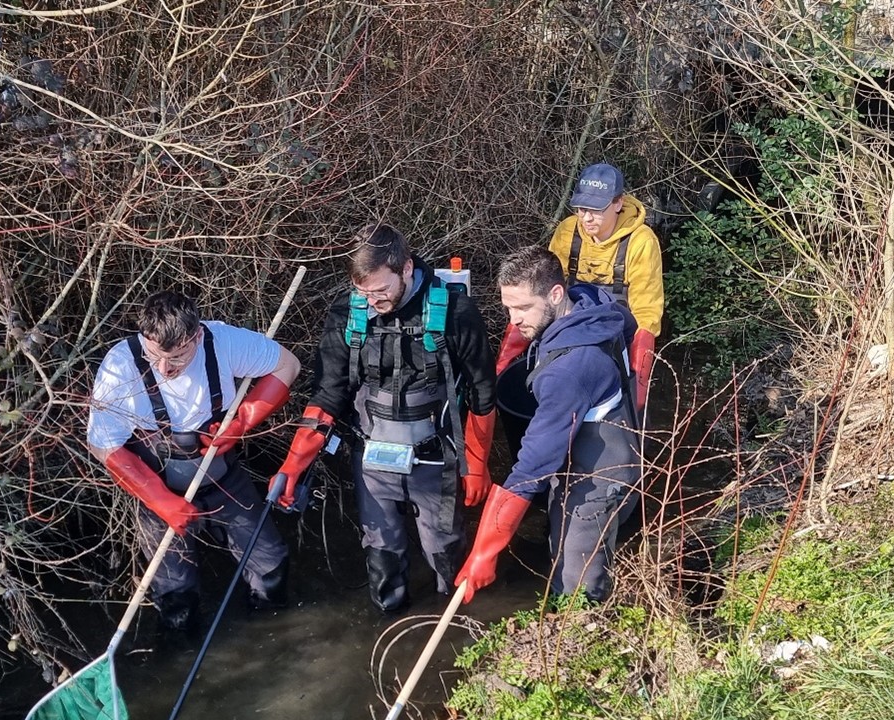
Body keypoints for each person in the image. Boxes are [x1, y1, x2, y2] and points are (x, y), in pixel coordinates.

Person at [272, 224, 497, 613]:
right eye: (364, 292)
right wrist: (293, 465)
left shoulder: (456, 312)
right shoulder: (347, 314)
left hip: (435, 452)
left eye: (381, 290)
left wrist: (476, 466)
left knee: (443, 549)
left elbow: (482, 393)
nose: (373, 300)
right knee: (382, 551)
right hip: (372, 455)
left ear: (406, 268)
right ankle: (391, 620)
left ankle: (459, 625)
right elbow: (328, 393)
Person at [87, 290, 301, 631]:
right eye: (155, 356)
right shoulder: (120, 366)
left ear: (196, 336)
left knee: (271, 566)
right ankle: (181, 646)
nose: (164, 369)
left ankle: (271, 633)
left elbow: (287, 364)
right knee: (176, 596)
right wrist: (160, 501)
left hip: (224, 479)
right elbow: (103, 446)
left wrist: (242, 422)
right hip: (157, 489)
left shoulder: (223, 341)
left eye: (177, 357)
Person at [457, 246, 641, 605]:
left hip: (599, 475)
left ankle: (585, 635)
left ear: (556, 293)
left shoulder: (569, 371)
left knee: (575, 584)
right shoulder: (595, 303)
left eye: (524, 308)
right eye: (508, 307)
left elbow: (532, 469)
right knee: (560, 534)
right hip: (617, 440)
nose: (513, 320)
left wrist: (485, 550)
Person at [495, 162, 663, 415]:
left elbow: (646, 315)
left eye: (596, 210)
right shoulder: (567, 231)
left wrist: (637, 387)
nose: (586, 218)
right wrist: (499, 371)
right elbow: (543, 289)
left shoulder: (642, 241)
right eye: (581, 208)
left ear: (618, 203)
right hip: (570, 327)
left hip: (615, 333)